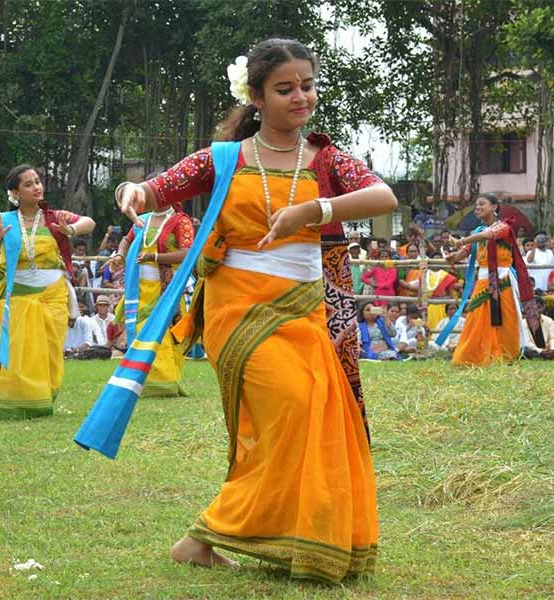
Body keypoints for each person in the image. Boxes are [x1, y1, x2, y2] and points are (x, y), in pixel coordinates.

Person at [106, 39, 393, 582]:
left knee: (310, 415)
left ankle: (278, 535)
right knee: (289, 406)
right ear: (257, 96)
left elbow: (384, 197)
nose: (301, 97)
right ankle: (217, 531)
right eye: (286, 89)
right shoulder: (224, 160)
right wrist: (131, 190)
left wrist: (315, 208)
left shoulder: (326, 159)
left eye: (307, 85)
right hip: (238, 313)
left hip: (306, 311)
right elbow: (155, 189)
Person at [0, 164, 95, 419]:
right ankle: (14, 401)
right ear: (15, 192)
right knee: (15, 351)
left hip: (52, 295)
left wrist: (71, 230)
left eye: (37, 182)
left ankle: (42, 397)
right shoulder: (6, 219)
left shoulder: (53, 217)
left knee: (49, 350)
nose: (36, 187)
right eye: (28, 184)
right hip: (18, 295)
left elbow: (88, 222)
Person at [108, 199, 194, 396]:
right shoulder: (142, 220)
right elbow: (126, 240)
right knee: (140, 331)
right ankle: (143, 381)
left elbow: (187, 254)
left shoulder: (180, 221)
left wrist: (154, 258)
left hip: (166, 289)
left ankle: (164, 383)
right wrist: (120, 255)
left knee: (164, 333)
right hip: (138, 289)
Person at [440, 194, 535, 366]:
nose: (478, 208)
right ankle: (473, 357)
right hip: (484, 279)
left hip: (502, 278)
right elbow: (466, 251)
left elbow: (488, 235)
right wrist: (452, 257)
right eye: (476, 205)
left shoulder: (503, 227)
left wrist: (461, 241)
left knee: (504, 318)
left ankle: (504, 356)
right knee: (476, 317)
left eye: (482, 204)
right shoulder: (476, 232)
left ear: (494, 207)